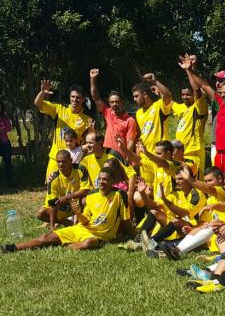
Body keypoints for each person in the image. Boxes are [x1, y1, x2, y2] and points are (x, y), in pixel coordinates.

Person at [3, 167, 131, 252]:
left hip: (98, 236)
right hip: (82, 229)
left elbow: (125, 221)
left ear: (112, 181)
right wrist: (78, 213)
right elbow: (85, 222)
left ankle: (62, 244)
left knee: (87, 244)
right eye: (100, 178)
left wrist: (131, 235)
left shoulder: (119, 195)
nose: (101, 182)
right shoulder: (92, 195)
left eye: (105, 179)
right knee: (46, 237)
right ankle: (11, 248)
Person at [35, 79, 92, 180]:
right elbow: (38, 104)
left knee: (72, 193)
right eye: (73, 97)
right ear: (70, 97)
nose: (75, 100)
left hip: (73, 161)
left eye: (78, 97)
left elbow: (89, 142)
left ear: (83, 99)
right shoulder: (59, 109)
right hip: (56, 158)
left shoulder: (87, 120)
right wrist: (42, 92)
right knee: (52, 189)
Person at [132, 73, 173, 185]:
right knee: (147, 191)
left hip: (159, 156)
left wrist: (155, 81)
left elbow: (168, 96)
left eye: (136, 96)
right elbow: (141, 135)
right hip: (144, 158)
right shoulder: (138, 113)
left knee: (162, 190)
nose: (134, 99)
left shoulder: (158, 106)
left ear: (145, 94)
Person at [172, 55, 209, 178]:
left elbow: (197, 90)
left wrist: (189, 69)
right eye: (182, 94)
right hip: (180, 154)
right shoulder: (182, 108)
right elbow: (168, 101)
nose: (184, 97)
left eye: (188, 95)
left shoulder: (199, 107)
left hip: (193, 153)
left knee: (196, 186)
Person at [89, 69, 138, 158]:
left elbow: (130, 143)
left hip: (120, 159)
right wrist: (93, 79)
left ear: (122, 102)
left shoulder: (130, 121)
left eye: (117, 102)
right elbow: (95, 97)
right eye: (112, 102)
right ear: (109, 103)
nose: (114, 104)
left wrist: (126, 159)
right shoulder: (108, 112)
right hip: (106, 157)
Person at [38, 150, 91, 229]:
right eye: (58, 162)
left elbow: (86, 190)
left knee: (85, 200)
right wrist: (52, 226)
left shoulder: (81, 169)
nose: (60, 164)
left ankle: (83, 223)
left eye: (63, 162)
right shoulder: (53, 179)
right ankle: (68, 223)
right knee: (41, 214)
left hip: (77, 205)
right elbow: (53, 204)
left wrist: (67, 197)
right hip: (62, 207)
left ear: (71, 160)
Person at [0, 102, 12, 184]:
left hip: (4, 142)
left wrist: (2, 130)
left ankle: (9, 180)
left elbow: (8, 127)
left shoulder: (4, 117)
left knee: (8, 161)